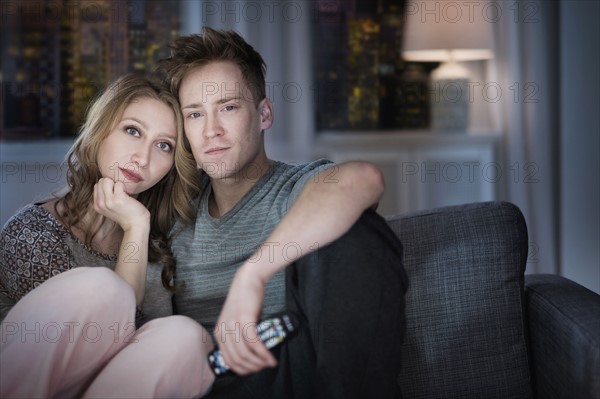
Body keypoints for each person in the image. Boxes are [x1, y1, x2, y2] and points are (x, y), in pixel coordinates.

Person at [159, 27, 409, 399]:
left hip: (294, 374)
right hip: (204, 383)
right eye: (195, 115)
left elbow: (363, 179)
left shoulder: (299, 187)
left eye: (228, 107)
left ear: (264, 114)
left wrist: (253, 275)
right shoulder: (174, 209)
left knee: (356, 234)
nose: (211, 130)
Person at [0, 73, 215, 398]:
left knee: (188, 337)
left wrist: (137, 229)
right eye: (132, 131)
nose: (143, 158)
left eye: (163, 146)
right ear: (101, 131)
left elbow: (141, 358)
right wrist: (135, 229)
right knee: (103, 288)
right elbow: (103, 339)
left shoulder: (151, 245)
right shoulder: (31, 230)